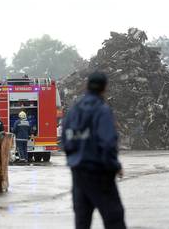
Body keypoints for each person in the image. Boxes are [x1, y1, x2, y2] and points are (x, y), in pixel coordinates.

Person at [61, 70, 126, 229]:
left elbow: (65, 141)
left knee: (82, 222)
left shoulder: (73, 111)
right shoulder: (102, 110)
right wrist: (115, 166)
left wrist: (76, 158)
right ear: (104, 88)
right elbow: (108, 143)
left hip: (78, 174)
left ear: (86, 86)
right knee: (114, 219)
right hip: (100, 174)